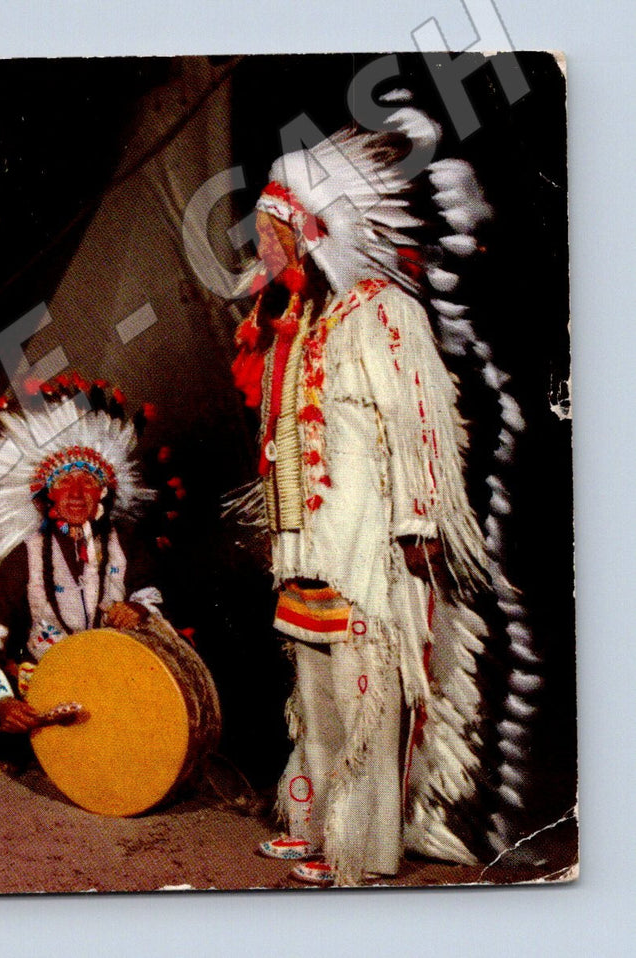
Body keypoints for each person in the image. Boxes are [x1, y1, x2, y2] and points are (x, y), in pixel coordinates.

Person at [228, 105, 498, 885]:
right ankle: (312, 824)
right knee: (313, 690)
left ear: (311, 233)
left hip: (367, 540)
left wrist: (418, 518)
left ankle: (364, 847)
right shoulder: (300, 323)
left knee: (365, 688)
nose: (259, 248)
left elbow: (420, 423)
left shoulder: (382, 311)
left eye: (272, 235)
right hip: (306, 535)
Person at [0, 380, 169, 761]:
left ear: (104, 493)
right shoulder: (24, 557)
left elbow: (151, 592)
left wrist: (140, 609)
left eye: (89, 481)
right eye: (64, 481)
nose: (77, 493)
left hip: (115, 675)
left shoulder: (124, 543)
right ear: (48, 494)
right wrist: (3, 703)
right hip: (49, 681)